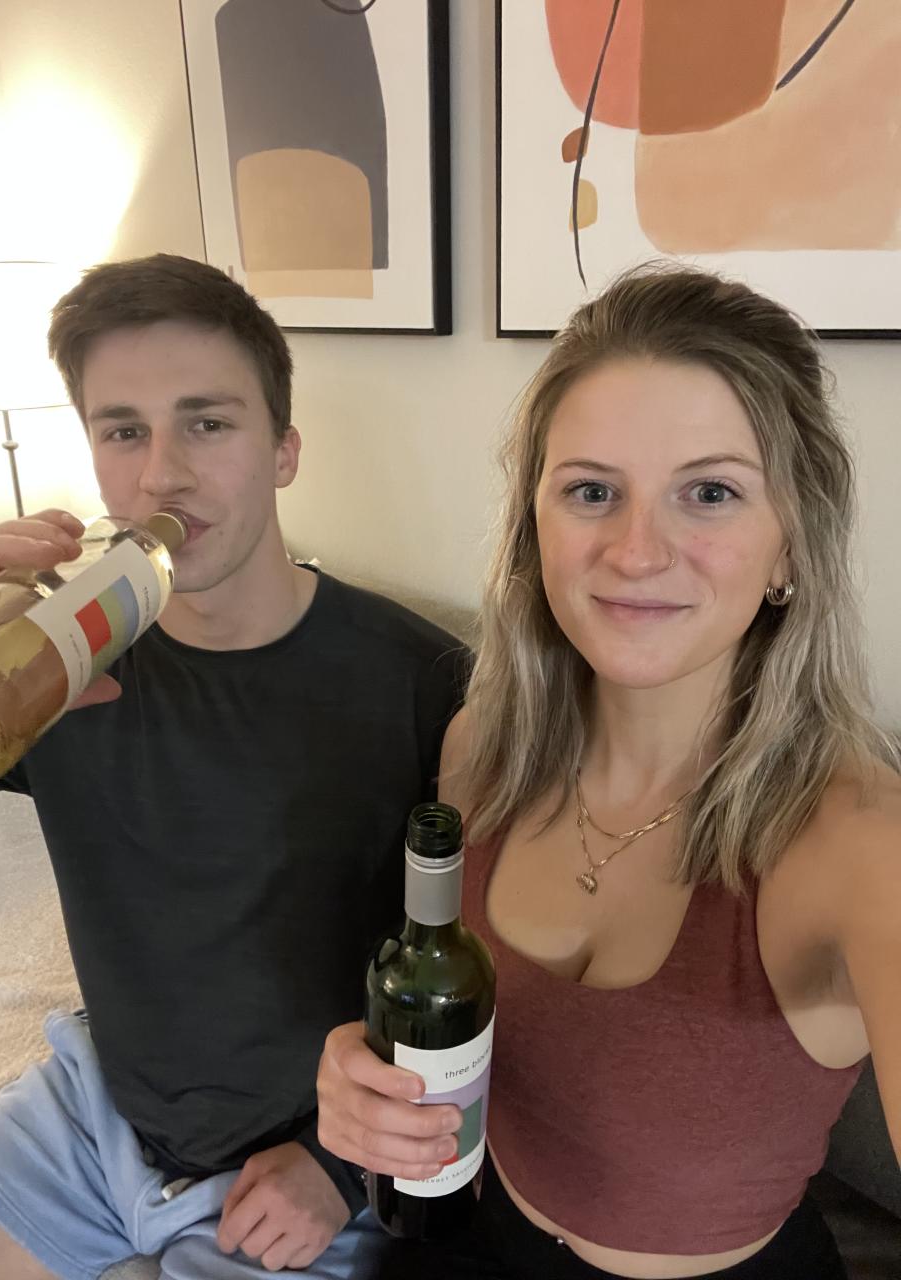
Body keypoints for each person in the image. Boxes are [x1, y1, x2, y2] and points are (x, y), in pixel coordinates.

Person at [315, 264, 901, 1279]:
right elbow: (436, 1004)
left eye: (709, 492)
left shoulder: (862, 844)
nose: (637, 550)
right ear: (535, 526)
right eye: (592, 490)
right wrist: (362, 1075)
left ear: (790, 546)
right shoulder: (480, 750)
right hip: (466, 1243)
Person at [0, 254, 467, 1280]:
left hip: (308, 1170)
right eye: (123, 429)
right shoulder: (42, 670)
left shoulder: (424, 682)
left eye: (209, 423)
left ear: (284, 450)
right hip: (95, 1111)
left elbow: (494, 973)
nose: (162, 474)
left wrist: (334, 1161)